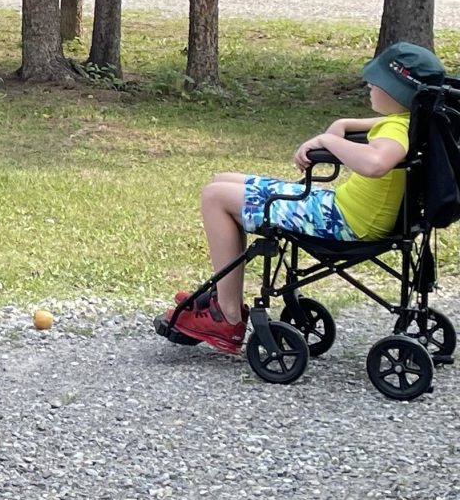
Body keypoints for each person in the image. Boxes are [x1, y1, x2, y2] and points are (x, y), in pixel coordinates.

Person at [167, 42, 446, 354]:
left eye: (377, 82)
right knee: (224, 180)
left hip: (342, 223)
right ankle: (223, 296)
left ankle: (227, 315)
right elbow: (364, 130)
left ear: (398, 93)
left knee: (215, 196)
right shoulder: (410, 121)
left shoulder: (395, 132)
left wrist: (328, 141)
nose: (369, 84)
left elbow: (376, 163)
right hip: (339, 211)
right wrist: (340, 126)